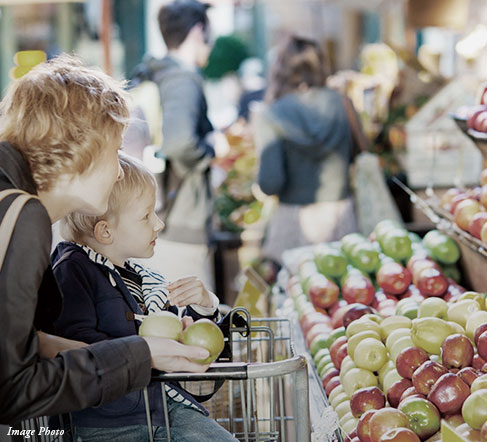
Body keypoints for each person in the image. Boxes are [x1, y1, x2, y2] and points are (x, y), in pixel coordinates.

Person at [0, 54, 211, 425]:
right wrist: (140, 354)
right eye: (114, 152)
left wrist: (128, 353)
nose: (118, 172)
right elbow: (14, 388)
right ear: (79, 149)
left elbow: (18, 345)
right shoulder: (23, 216)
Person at [51, 154, 236, 442]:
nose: (159, 224)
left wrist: (203, 305)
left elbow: (181, 333)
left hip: (162, 408)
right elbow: (80, 352)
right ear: (105, 231)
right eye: (147, 215)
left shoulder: (138, 275)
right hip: (106, 425)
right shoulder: (73, 272)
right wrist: (144, 351)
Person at [255, 35, 364, 263]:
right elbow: (358, 154)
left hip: (294, 222)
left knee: (296, 293)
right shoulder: (342, 103)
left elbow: (270, 182)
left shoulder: (272, 113)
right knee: (345, 290)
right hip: (340, 217)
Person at [131, 0, 215, 289]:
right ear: (198, 31)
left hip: (161, 214)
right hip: (181, 221)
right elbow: (180, 143)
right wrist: (211, 149)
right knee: (194, 317)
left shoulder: (155, 72)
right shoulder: (182, 79)